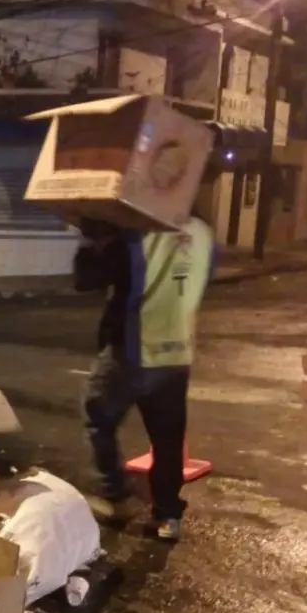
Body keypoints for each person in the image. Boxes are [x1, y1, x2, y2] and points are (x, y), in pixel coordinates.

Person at [75, 213, 215, 542]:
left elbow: (85, 279)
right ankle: (168, 515)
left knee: (98, 417)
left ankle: (117, 496)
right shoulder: (203, 233)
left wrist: (90, 239)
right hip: (178, 350)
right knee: (167, 439)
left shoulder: (134, 232)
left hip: (134, 350)